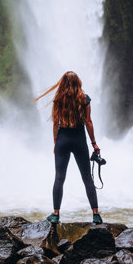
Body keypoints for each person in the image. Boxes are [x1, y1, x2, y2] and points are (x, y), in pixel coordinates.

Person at [35, 71, 101, 225]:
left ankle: (56, 214)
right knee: (87, 178)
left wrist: (56, 142)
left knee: (59, 177)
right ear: (78, 82)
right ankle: (96, 215)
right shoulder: (84, 99)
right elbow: (88, 122)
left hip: (62, 142)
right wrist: (94, 143)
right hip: (79, 142)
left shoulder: (58, 99)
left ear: (63, 83)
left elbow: (55, 123)